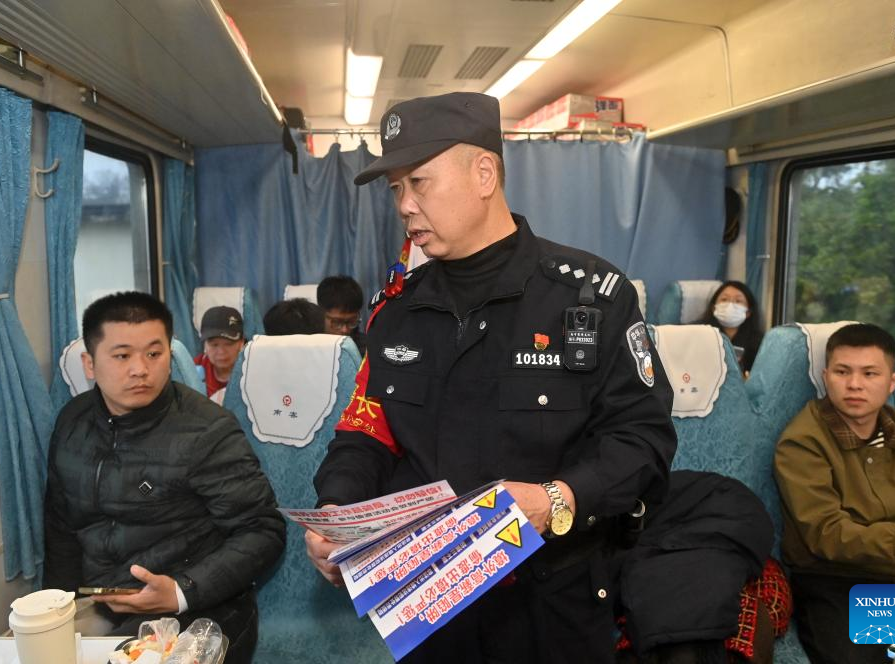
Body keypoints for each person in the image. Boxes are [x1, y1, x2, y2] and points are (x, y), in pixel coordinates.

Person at [305, 92, 677, 663]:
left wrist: (556, 498)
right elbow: (366, 431)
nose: (405, 206)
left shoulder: (592, 297)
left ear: (484, 174)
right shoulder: (396, 312)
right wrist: (339, 509)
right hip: (429, 603)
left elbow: (642, 439)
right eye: (396, 189)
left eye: (419, 183)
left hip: (553, 599)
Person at [43, 291, 285, 662]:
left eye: (154, 354)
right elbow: (61, 529)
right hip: (100, 602)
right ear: (89, 364)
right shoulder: (72, 422)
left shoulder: (206, 430)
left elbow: (262, 531)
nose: (140, 369)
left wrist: (180, 591)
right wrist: (56, 609)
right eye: (122, 356)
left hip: (199, 610)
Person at [774, 323, 895, 664]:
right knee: (890, 658)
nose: (855, 384)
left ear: (892, 382)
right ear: (826, 376)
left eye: (870, 373)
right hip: (843, 580)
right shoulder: (803, 441)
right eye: (842, 372)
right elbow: (827, 533)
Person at [698, 280, 765, 375]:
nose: (730, 306)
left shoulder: (760, 342)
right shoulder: (697, 333)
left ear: (748, 312)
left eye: (738, 301)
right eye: (724, 299)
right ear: (713, 308)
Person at [193, 305, 246, 397]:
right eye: (214, 345)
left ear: (242, 343)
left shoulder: (252, 371)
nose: (221, 351)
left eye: (229, 344)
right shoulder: (192, 370)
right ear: (205, 345)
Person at [317, 275, 366, 355]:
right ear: (321, 315)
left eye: (351, 322)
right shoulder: (307, 345)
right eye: (336, 322)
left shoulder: (368, 348)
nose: (345, 330)